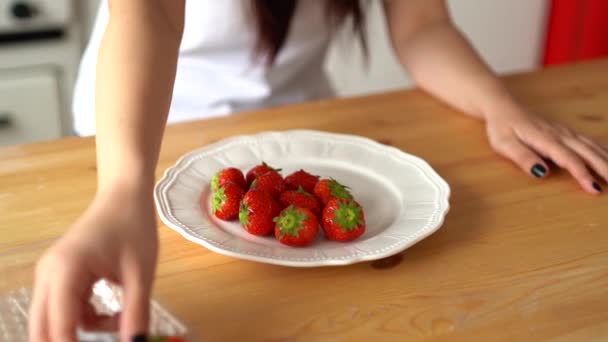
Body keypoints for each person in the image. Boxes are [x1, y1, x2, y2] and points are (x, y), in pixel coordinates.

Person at [30, 0, 607, 341]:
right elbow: (150, 13)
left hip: (295, 126)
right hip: (143, 126)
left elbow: (421, 23)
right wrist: (123, 191)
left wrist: (499, 106)